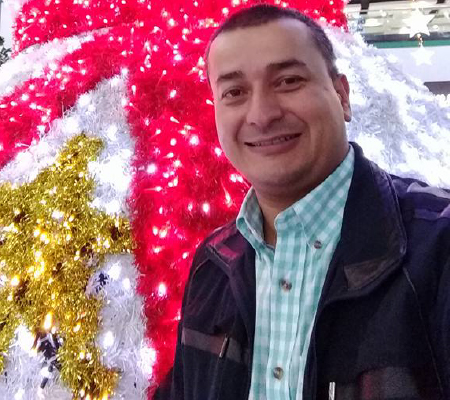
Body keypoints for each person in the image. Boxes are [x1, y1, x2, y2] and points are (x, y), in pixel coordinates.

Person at [155, 4, 450, 400]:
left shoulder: (438, 247)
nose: (261, 115)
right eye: (235, 92)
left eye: (288, 81)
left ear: (342, 96)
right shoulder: (214, 264)